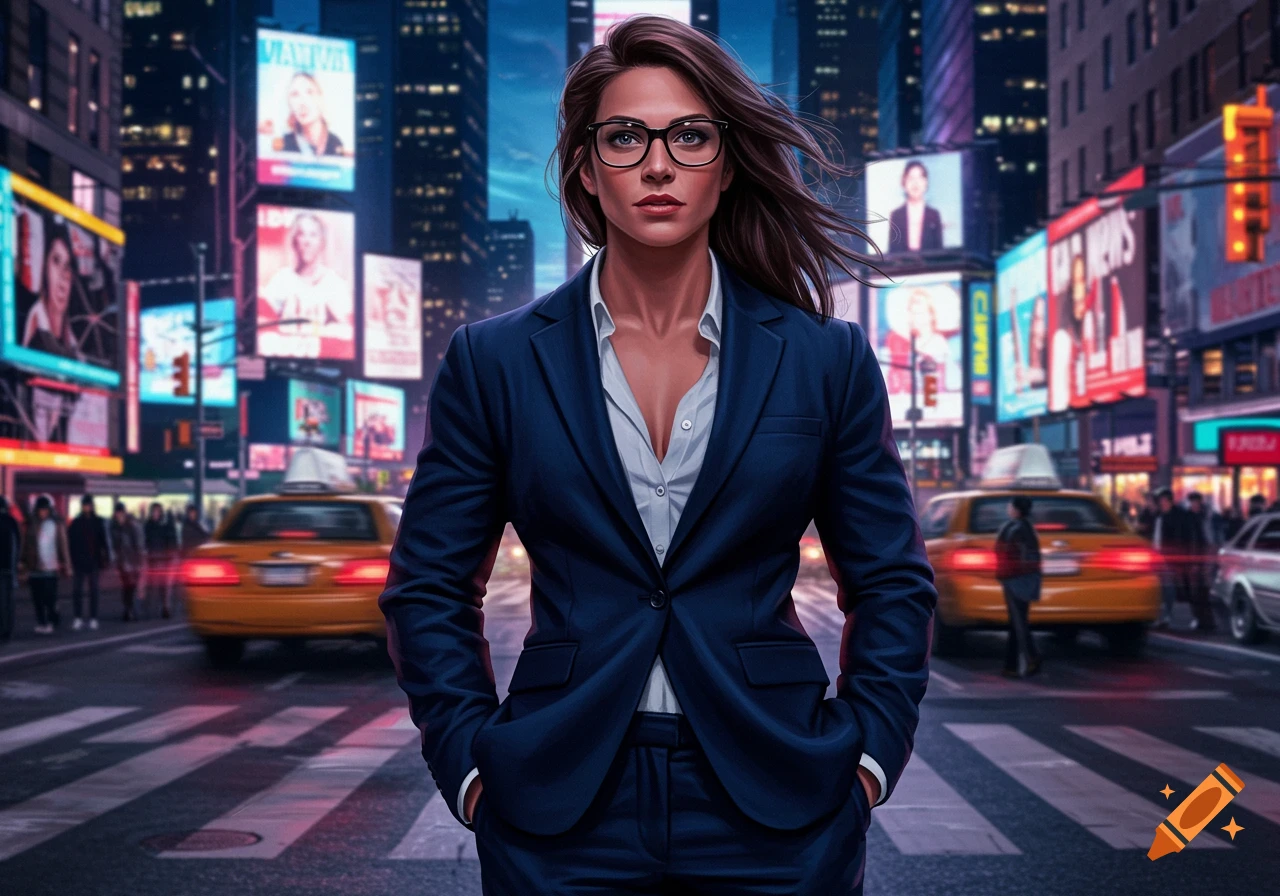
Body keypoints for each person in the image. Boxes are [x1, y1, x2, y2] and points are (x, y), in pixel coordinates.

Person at [380, 17, 937, 895]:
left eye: (690, 136)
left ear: (727, 163)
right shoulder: (494, 361)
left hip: (778, 797)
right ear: (586, 167)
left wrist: (866, 757)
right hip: (558, 802)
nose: (658, 164)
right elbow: (429, 587)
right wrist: (471, 765)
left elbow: (892, 581)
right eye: (625, 137)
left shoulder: (825, 359)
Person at [259, 212, 353, 350]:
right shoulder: (282, 279)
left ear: (322, 242)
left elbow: (349, 332)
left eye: (313, 235)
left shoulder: (334, 283)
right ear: (294, 241)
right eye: (301, 234)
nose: (307, 241)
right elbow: (263, 324)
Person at [1152, 488, 1212, 632]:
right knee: (1171, 589)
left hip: (1178, 559)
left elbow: (1192, 539)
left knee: (1184, 589)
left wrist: (1192, 560)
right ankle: (1170, 617)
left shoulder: (1182, 517)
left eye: (1163, 501)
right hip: (1168, 558)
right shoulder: (1162, 517)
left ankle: (1197, 618)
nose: (1162, 503)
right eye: (1160, 501)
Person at [995, 495, 1042, 677]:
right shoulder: (1028, 527)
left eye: (1010, 506)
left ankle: (1032, 658)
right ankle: (1011, 666)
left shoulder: (1013, 528)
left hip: (1015, 579)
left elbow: (1004, 553)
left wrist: (1003, 575)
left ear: (1016, 509)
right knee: (1017, 623)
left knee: (1018, 623)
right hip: (1027, 579)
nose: (1008, 509)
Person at [21, 221, 80, 360]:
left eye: (67, 266)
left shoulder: (72, 338)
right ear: (45, 266)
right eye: (56, 261)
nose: (62, 278)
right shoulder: (36, 320)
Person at [20, 496, 69, 635]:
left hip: (51, 567)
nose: (43, 512)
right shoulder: (30, 524)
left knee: (50, 598)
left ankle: (52, 618)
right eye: (41, 509)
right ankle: (42, 622)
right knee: (37, 598)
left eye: (45, 509)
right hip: (35, 567)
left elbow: (63, 545)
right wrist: (22, 563)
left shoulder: (56, 523)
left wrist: (66, 564)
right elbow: (25, 545)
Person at [274, 71, 346, 158]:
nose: (302, 103)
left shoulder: (335, 143)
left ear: (320, 98)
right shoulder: (285, 144)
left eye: (309, 93)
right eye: (295, 94)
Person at [66, 496, 110, 631]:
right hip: (80, 560)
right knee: (78, 591)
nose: (87, 507)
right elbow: (70, 542)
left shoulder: (96, 522)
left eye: (88, 505)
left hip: (92, 560)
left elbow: (103, 542)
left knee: (93, 591)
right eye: (85, 505)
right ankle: (79, 617)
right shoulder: (77, 522)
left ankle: (92, 618)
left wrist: (105, 557)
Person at [887, 160, 943, 253]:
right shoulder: (896, 215)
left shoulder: (934, 215)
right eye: (911, 178)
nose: (915, 183)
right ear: (904, 182)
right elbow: (892, 252)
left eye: (920, 178)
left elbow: (939, 252)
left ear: (926, 182)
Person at [109, 502, 145, 622]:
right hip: (122, 562)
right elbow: (114, 545)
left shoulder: (131, 525)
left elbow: (138, 544)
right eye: (117, 513)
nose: (119, 515)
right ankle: (128, 609)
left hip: (132, 561)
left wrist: (139, 561)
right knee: (126, 586)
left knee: (132, 586)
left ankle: (132, 610)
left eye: (120, 513)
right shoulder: (114, 527)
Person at [142, 502, 177, 619]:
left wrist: (170, 553)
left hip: (165, 559)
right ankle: (149, 608)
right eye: (154, 511)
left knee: (165, 586)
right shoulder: (148, 525)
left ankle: (165, 607)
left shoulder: (166, 524)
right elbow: (145, 540)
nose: (155, 513)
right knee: (152, 585)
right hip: (153, 558)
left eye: (157, 511)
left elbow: (171, 540)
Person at [0, 496, 20, 642]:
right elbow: (16, 545)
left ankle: (4, 630)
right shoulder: (11, 522)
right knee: (7, 601)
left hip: (4, 568)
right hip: (8, 567)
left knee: (3, 602)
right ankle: (7, 630)